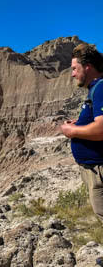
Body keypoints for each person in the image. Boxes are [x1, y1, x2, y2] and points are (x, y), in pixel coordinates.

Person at [60, 44, 103, 221]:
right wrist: (82, 122)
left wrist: (73, 131)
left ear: (88, 66)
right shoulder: (95, 88)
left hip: (99, 170)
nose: (72, 74)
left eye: (74, 68)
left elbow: (102, 129)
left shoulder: (100, 87)